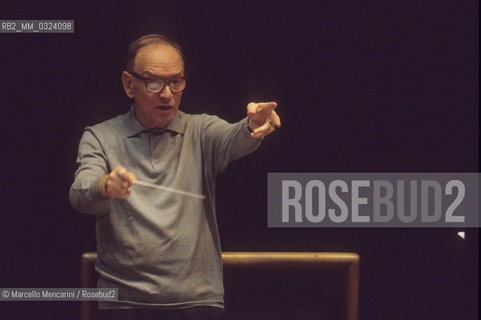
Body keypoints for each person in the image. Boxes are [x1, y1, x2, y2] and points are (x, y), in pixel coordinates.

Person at [69, 34, 280, 320]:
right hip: (124, 302)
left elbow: (235, 137)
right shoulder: (101, 136)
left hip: (197, 301)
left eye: (176, 81)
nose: (167, 94)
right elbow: (81, 193)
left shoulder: (201, 130)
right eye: (153, 82)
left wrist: (254, 123)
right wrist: (104, 185)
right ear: (129, 84)